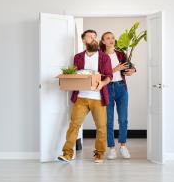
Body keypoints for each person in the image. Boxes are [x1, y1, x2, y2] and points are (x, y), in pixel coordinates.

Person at [58, 29, 113, 163]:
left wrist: (102, 83)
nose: (94, 39)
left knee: (101, 127)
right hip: (81, 97)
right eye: (90, 36)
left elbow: (109, 76)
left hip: (98, 98)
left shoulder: (104, 57)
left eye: (95, 36)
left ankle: (99, 154)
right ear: (84, 40)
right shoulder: (78, 57)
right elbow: (75, 75)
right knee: (74, 125)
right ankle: (67, 153)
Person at [99, 31, 136, 159]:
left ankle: (123, 146)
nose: (111, 40)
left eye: (113, 38)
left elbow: (130, 67)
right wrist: (115, 69)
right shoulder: (100, 56)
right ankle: (111, 148)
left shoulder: (121, 54)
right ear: (103, 41)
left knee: (123, 119)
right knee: (108, 121)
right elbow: (99, 74)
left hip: (121, 88)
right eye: (108, 38)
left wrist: (132, 71)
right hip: (107, 89)